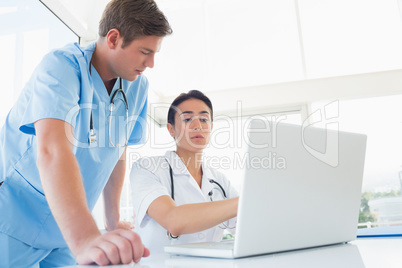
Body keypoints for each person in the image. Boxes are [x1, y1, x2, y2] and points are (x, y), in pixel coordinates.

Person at [0, 0, 172, 266]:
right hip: (15, 219)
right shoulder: (61, 67)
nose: (151, 63)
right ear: (114, 38)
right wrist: (84, 239)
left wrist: (112, 219)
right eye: (145, 52)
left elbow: (117, 151)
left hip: (68, 231)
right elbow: (52, 149)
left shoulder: (137, 87)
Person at [130, 90, 239, 253]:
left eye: (204, 119)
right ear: (171, 129)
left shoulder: (220, 181)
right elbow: (173, 220)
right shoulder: (147, 168)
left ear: (211, 127)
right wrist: (245, 202)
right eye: (187, 119)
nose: (198, 126)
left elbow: (248, 226)